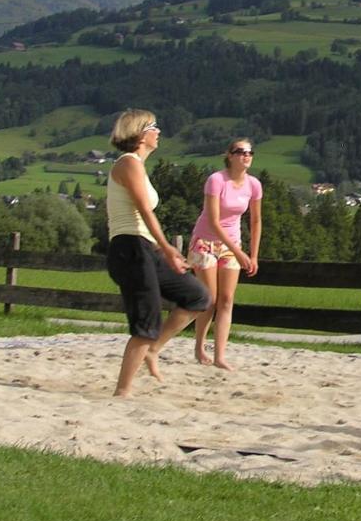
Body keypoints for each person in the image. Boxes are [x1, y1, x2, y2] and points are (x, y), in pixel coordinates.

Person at [104, 109, 209, 397]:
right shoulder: (128, 164)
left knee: (197, 296)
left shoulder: (137, 165)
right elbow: (144, 212)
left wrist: (163, 250)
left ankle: (153, 350)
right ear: (139, 133)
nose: (158, 131)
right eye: (153, 127)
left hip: (145, 248)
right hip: (131, 249)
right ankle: (123, 391)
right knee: (145, 323)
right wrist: (169, 250)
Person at [188, 138, 263, 370]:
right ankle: (199, 346)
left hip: (232, 244)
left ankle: (220, 355)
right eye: (240, 151)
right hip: (206, 241)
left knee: (227, 299)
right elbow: (213, 219)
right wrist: (239, 252)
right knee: (209, 298)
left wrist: (253, 255)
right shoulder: (216, 180)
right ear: (230, 155)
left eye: (249, 152)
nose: (246, 155)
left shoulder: (254, 185)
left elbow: (256, 220)